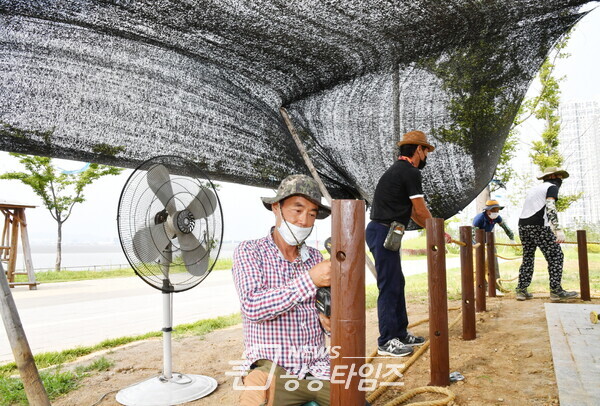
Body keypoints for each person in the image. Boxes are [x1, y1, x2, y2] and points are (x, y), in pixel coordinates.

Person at [232, 174, 333, 405]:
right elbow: (253, 307)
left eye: (312, 214)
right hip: (275, 365)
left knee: (355, 400)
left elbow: (326, 309)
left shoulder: (315, 257)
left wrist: (330, 321)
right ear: (276, 207)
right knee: (258, 395)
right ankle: (256, 380)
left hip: (317, 367)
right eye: (297, 210)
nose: (304, 221)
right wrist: (310, 280)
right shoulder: (250, 251)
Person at [366, 130, 451, 357]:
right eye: (426, 151)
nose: (426, 156)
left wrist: (435, 230)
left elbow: (414, 213)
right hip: (382, 232)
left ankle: (401, 333)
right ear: (418, 150)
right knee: (389, 285)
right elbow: (421, 210)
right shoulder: (410, 172)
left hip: (386, 232)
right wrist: (438, 231)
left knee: (397, 283)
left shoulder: (400, 171)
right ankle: (386, 341)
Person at [515, 167, 578, 302]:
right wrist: (557, 229)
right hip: (538, 225)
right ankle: (556, 291)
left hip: (523, 224)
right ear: (552, 176)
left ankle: (521, 290)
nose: (561, 179)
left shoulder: (535, 189)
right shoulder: (552, 187)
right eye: (559, 176)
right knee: (556, 255)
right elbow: (550, 207)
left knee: (528, 257)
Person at [472, 199, 515, 292]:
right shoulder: (479, 219)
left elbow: (505, 227)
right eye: (493, 210)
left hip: (488, 243)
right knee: (477, 267)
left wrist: (512, 238)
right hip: (476, 244)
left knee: (489, 267)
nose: (495, 212)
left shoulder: (497, 218)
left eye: (497, 210)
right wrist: (475, 245)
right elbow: (472, 233)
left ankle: (492, 288)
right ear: (487, 210)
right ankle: (475, 289)